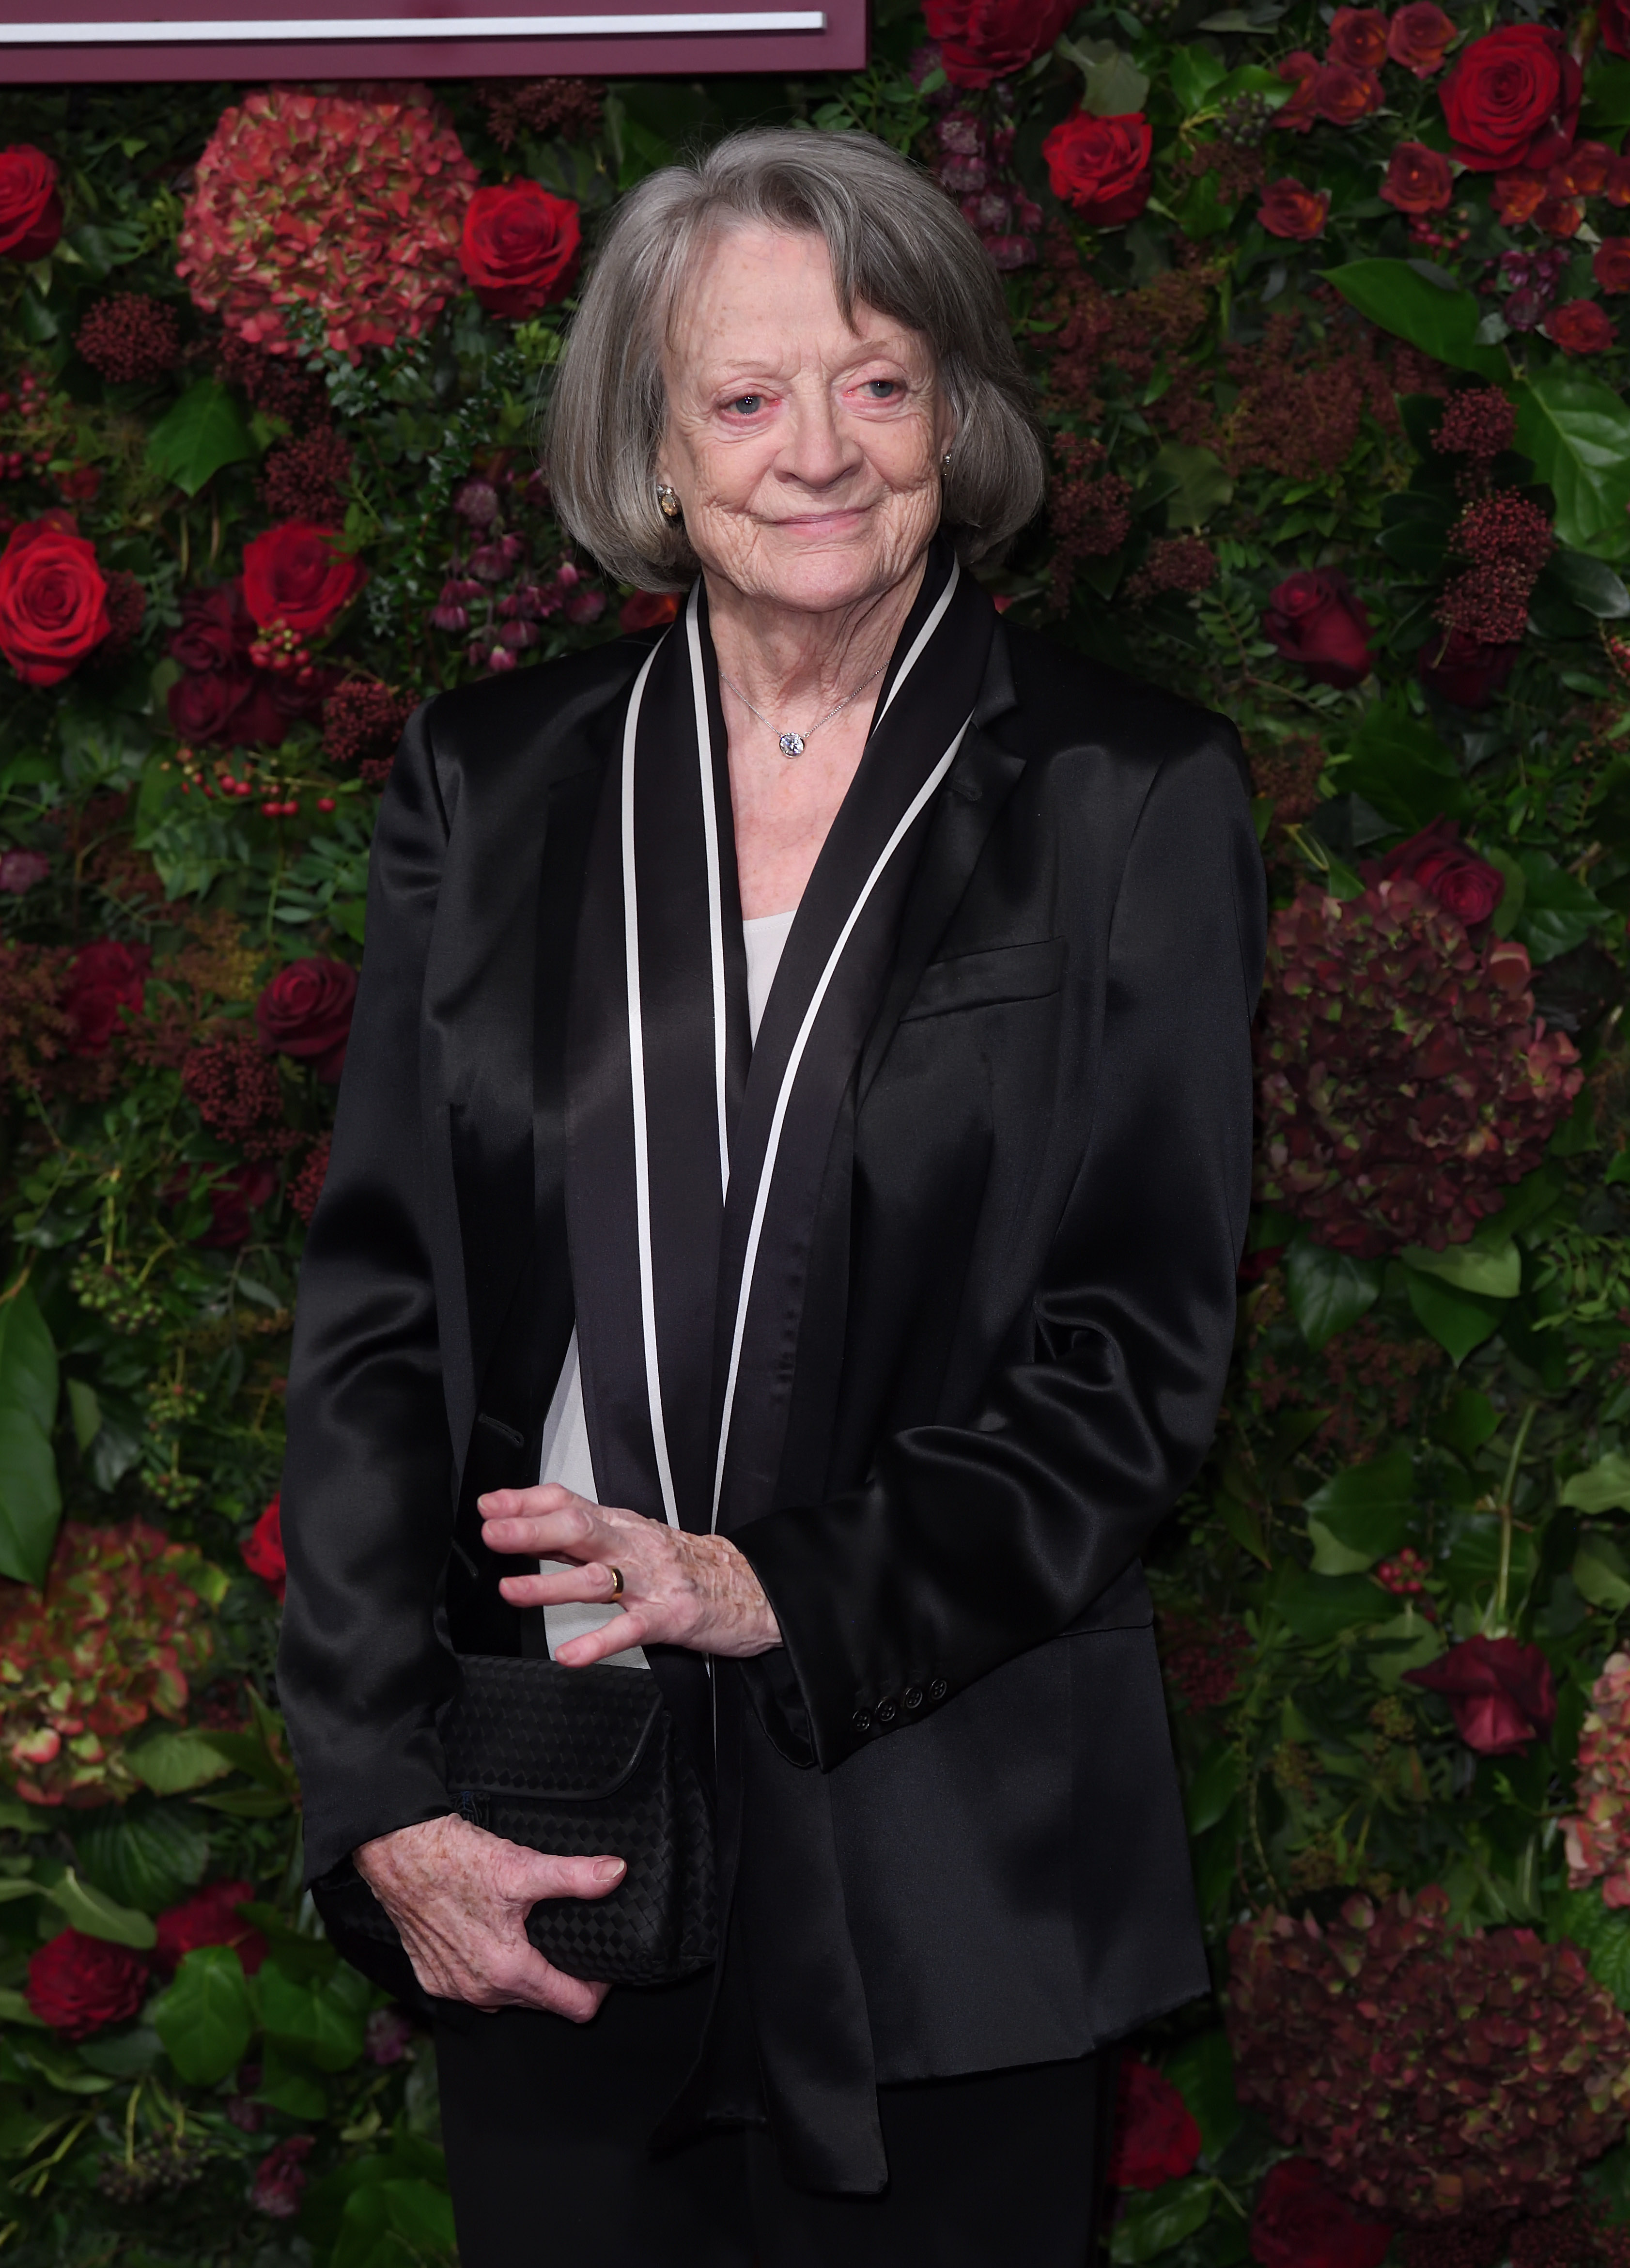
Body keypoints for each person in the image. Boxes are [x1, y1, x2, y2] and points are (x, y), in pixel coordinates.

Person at [278, 125, 1264, 2268]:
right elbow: (381, 1323)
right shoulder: (491, 780)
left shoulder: (1130, 797)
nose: (818, 450)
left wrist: (770, 1587)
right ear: (651, 448)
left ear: (957, 421)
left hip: (956, 1850)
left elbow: (1129, 1365)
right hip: (543, 1824)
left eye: (880, 383)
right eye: (745, 396)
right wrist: (374, 1795)